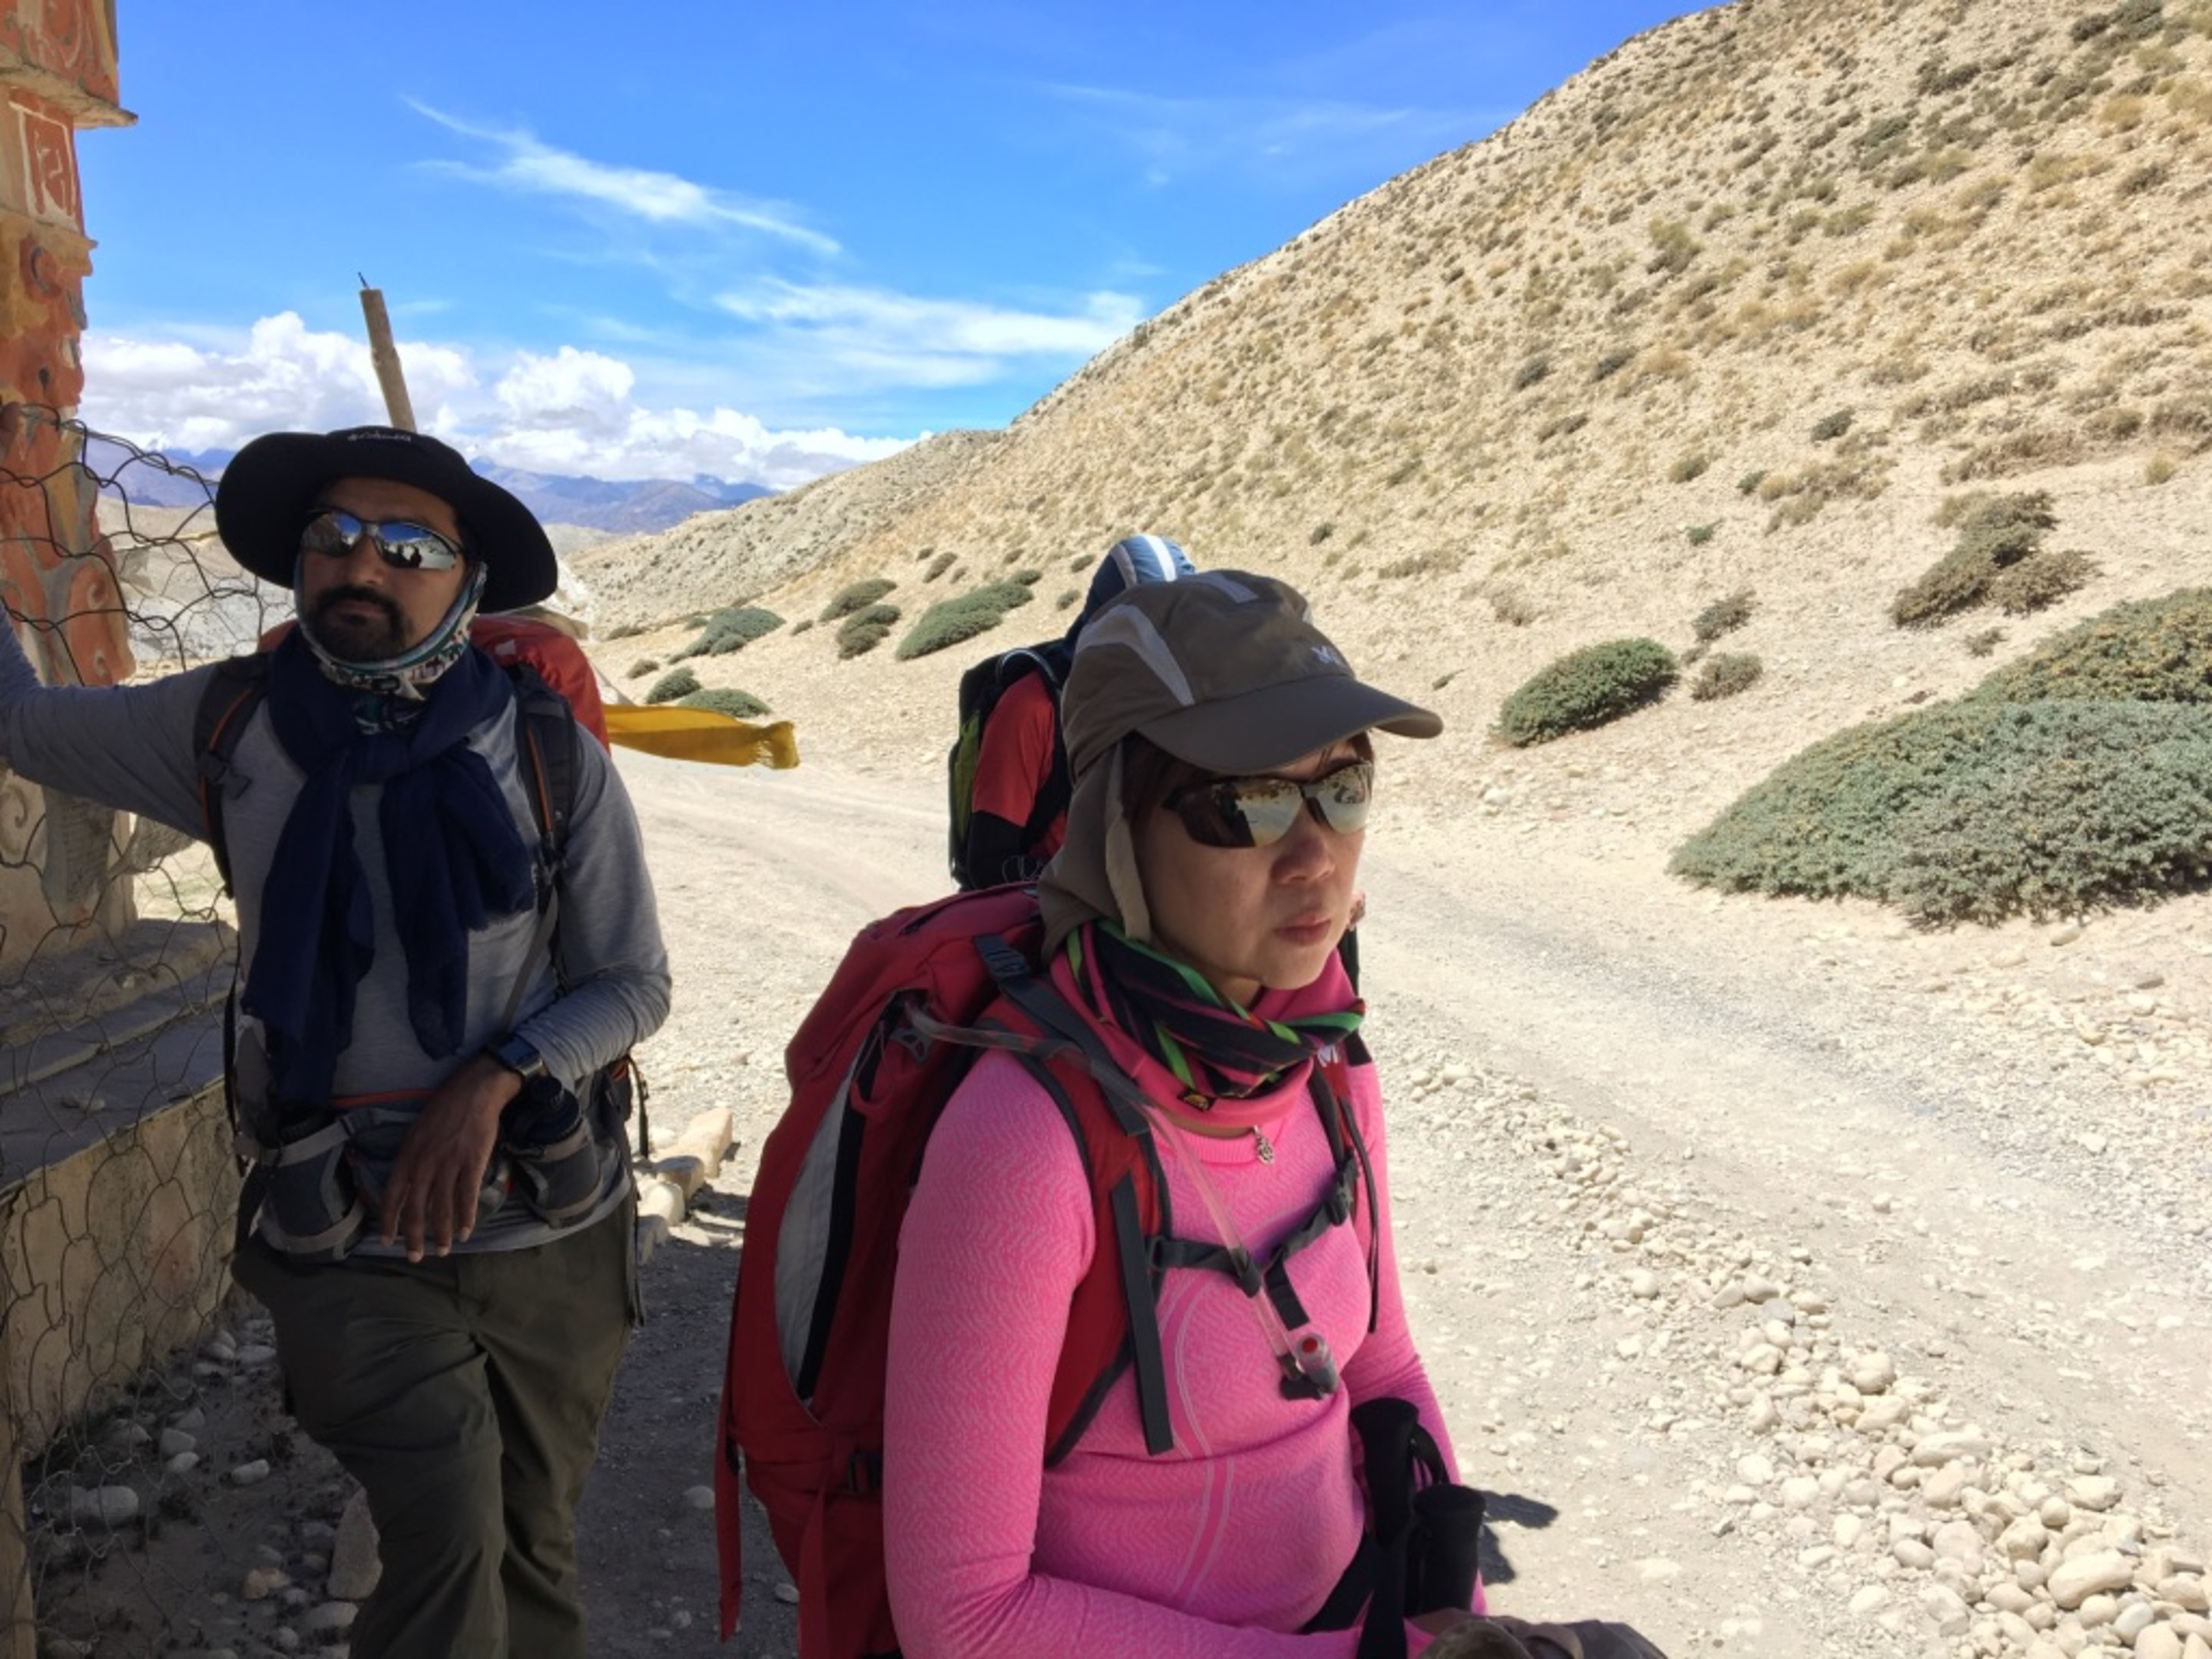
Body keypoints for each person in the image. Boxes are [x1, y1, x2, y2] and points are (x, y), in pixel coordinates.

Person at [0, 424, 671, 1658]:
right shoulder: (224, 727)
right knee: (448, 1537)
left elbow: (634, 983)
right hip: (345, 1233)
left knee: (533, 1547)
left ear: (467, 581)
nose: (363, 564)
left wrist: (495, 1080)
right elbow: (24, 724)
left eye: (408, 545)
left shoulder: (547, 753)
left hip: (546, 1229)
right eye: (335, 535)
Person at [886, 568, 1469, 1654]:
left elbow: (1382, 1369)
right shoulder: (1025, 1142)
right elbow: (963, 1622)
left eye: (1343, 787)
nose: (1314, 856)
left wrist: (1464, 1621)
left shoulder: (1329, 1068)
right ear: (1117, 827)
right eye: (1245, 804)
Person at [956, 531, 1194, 886]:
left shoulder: (1180, 702)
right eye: (1143, 632)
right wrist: (1090, 887)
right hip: (1057, 909)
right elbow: (989, 862)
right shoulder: (1032, 708)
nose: (1162, 651)